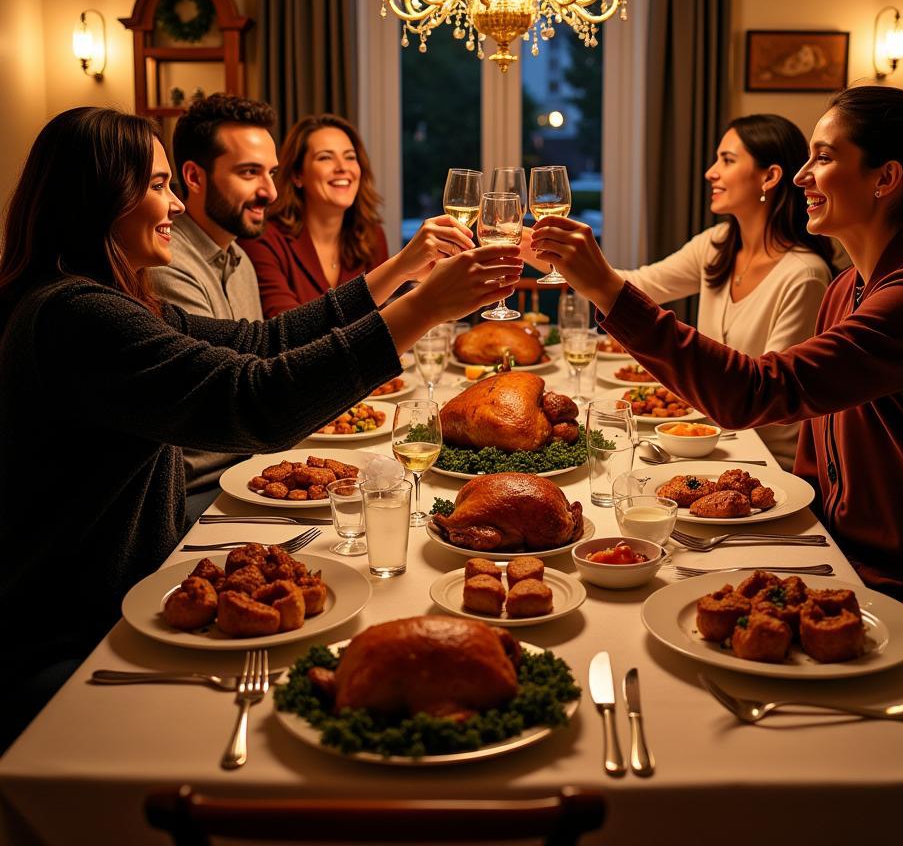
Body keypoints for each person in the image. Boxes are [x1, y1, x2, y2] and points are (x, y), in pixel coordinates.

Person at [0, 107, 521, 749]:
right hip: (76, 643)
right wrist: (425, 306)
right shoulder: (77, 318)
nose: (173, 205)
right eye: (159, 186)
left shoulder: (100, 300)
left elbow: (263, 341)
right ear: (102, 195)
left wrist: (399, 277)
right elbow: (256, 403)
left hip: (129, 600)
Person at [531, 86, 903, 760]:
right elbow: (817, 448)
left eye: (823, 158)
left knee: (736, 732)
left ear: (885, 179)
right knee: (689, 662)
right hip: (860, 582)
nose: (801, 177)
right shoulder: (852, 287)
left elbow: (757, 391)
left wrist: (609, 291)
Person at [527, 115, 834, 469]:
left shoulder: (804, 275)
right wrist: (548, 258)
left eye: (728, 160)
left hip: (763, 460)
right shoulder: (717, 245)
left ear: (769, 176)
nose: (711, 172)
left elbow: (770, 404)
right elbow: (639, 286)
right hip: (710, 439)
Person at [149, 93, 279, 517]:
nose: (270, 192)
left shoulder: (238, 257)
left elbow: (263, 353)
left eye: (271, 173)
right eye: (249, 173)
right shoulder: (166, 265)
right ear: (194, 177)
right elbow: (233, 397)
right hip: (200, 497)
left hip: (250, 469)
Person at [241, 113, 466, 317]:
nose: (342, 167)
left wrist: (419, 280)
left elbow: (379, 324)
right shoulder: (264, 239)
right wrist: (400, 268)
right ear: (298, 175)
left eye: (350, 157)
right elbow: (287, 334)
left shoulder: (370, 236)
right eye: (325, 157)